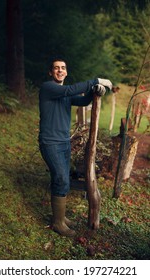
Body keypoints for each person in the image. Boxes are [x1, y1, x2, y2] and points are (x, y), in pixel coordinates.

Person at [39, 58, 112, 237]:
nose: (60, 70)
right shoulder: (48, 88)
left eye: (63, 68)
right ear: (51, 72)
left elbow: (82, 100)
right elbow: (70, 90)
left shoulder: (65, 93)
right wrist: (95, 81)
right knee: (62, 179)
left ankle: (61, 217)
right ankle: (57, 223)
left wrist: (96, 92)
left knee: (62, 179)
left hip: (64, 142)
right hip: (50, 143)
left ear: (66, 72)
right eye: (56, 68)